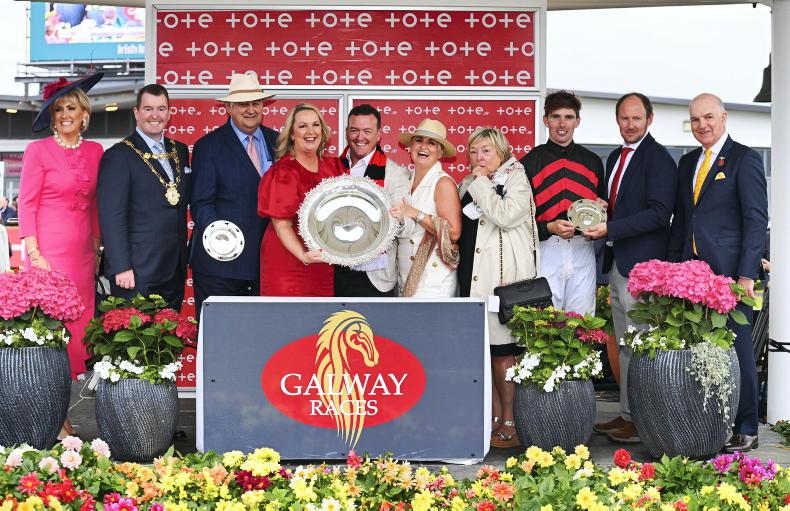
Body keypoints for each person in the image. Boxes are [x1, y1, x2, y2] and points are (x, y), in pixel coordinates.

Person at [668, 93, 768, 453]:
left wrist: (745, 276)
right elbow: (683, 220)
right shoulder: (687, 162)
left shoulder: (745, 159)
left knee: (737, 350)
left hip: (731, 276)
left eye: (708, 117)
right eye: (695, 119)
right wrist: (672, 270)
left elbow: (756, 221)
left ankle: (747, 427)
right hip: (691, 274)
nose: (702, 125)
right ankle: (709, 423)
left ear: (723, 117)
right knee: (698, 350)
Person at [584, 93, 678, 444]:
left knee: (640, 346)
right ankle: (627, 415)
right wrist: (601, 208)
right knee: (626, 345)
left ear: (649, 119)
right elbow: (620, 206)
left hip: (642, 267)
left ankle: (643, 420)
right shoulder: (615, 157)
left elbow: (660, 213)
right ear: (617, 120)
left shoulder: (659, 159)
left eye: (637, 118)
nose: (630, 124)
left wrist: (611, 227)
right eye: (624, 118)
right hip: (618, 263)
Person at [18, 72, 104, 436]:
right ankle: (55, 418)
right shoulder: (38, 151)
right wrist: (34, 252)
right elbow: (26, 203)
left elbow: (97, 204)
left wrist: (98, 249)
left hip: (82, 257)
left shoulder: (96, 151)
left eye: (71, 108)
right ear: (52, 117)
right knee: (51, 335)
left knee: (77, 336)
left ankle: (59, 414)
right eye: (58, 109)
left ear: (84, 113)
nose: (65, 114)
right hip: (48, 255)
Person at [457, 127, 538, 448]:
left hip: (501, 280)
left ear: (501, 152)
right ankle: (491, 417)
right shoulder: (469, 181)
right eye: (474, 151)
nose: (479, 157)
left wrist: (480, 183)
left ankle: (510, 420)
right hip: (472, 275)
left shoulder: (516, 178)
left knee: (504, 350)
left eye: (486, 150)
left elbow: (505, 216)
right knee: (484, 351)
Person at [190, 73, 278, 320]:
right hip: (220, 267)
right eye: (242, 104)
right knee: (219, 336)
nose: (250, 110)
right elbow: (201, 203)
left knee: (261, 336)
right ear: (228, 108)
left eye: (256, 103)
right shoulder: (208, 146)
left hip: (266, 264)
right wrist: (222, 241)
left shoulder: (279, 142)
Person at [98, 84, 190, 311]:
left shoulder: (179, 151)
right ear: (136, 112)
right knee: (136, 333)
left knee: (171, 331)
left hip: (174, 268)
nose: (155, 115)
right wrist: (121, 266)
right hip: (136, 271)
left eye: (161, 109)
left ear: (169, 113)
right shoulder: (118, 155)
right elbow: (112, 217)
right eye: (148, 109)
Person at [519, 90, 604, 315]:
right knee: (545, 319)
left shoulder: (593, 161)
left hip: (582, 247)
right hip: (546, 248)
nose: (562, 124)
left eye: (568, 117)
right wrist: (549, 228)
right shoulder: (529, 162)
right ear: (545, 120)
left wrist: (602, 209)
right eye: (556, 116)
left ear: (577, 121)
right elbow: (519, 219)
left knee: (582, 320)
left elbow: (603, 206)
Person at [257, 104, 345, 296]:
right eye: (303, 126)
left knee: (321, 313)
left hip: (321, 259)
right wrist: (303, 255)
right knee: (289, 312)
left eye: (315, 125)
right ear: (291, 134)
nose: (311, 131)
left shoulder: (333, 166)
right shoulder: (284, 171)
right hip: (288, 259)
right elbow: (282, 225)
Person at [334, 104, 410, 297]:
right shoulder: (331, 168)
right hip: (334, 268)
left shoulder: (396, 173)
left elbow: (406, 227)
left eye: (367, 131)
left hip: (374, 274)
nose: (360, 137)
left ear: (378, 135)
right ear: (347, 132)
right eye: (354, 130)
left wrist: (399, 218)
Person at [390, 118, 461, 297]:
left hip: (433, 281)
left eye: (431, 143)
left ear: (440, 152)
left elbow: (453, 233)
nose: (423, 146)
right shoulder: (404, 180)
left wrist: (416, 214)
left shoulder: (443, 182)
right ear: (410, 147)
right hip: (406, 276)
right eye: (419, 140)